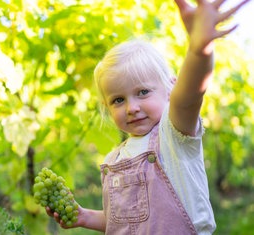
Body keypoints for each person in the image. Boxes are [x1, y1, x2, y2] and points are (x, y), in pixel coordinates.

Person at [46, 0, 251, 234]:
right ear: (106, 106)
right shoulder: (114, 159)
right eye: (118, 100)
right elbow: (124, 222)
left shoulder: (173, 134)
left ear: (171, 89)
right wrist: (85, 217)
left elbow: (191, 95)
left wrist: (199, 49)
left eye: (143, 92)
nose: (131, 107)